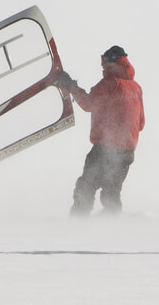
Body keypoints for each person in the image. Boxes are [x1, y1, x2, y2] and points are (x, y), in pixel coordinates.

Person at [58, 45, 145, 217]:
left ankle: (78, 224)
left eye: (104, 62)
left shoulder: (110, 83)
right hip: (128, 152)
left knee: (86, 186)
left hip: (106, 149)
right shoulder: (136, 87)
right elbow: (141, 123)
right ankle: (110, 232)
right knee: (111, 194)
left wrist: (70, 86)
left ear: (112, 62)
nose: (102, 66)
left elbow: (88, 103)